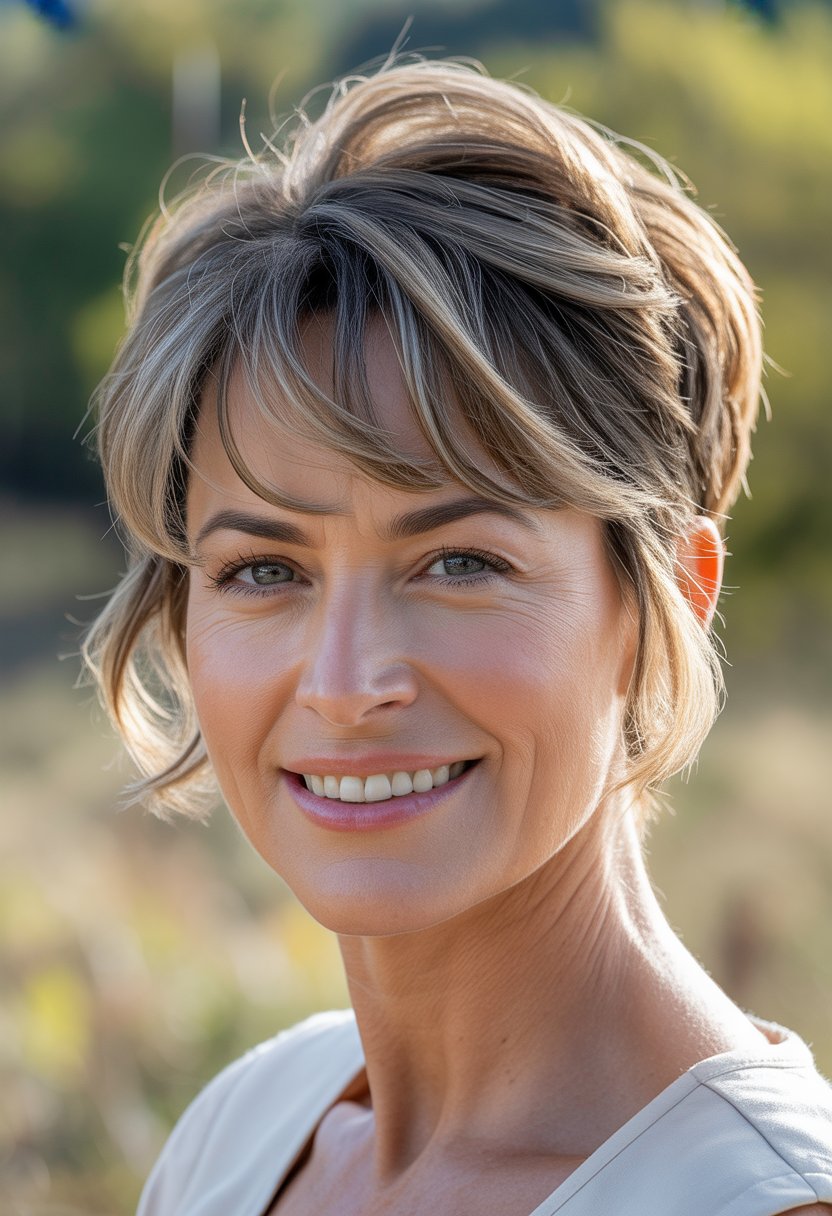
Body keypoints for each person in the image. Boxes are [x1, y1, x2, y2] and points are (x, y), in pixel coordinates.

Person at [83, 57, 832, 1216]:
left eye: (458, 562)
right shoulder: (241, 1132)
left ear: (669, 595)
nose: (345, 684)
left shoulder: (758, 1201)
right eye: (264, 569)